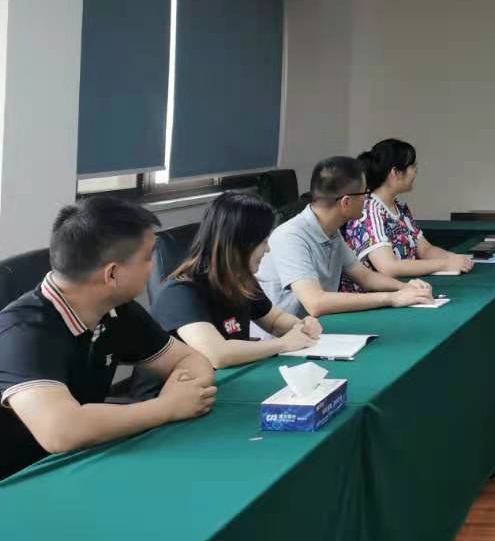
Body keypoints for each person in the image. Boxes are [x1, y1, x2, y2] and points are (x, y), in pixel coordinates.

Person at [0, 198, 216, 480]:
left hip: (79, 463)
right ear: (112, 274)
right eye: (148, 257)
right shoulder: (21, 332)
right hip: (18, 481)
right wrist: (167, 407)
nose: (153, 266)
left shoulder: (117, 310)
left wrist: (181, 394)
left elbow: (191, 359)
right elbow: (61, 431)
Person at [149, 193, 325, 369]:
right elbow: (217, 355)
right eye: (263, 242)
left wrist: (301, 326)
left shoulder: (240, 279)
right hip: (188, 384)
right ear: (241, 243)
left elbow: (274, 321)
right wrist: (283, 344)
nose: (268, 250)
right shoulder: (179, 293)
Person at [256, 156, 434, 317]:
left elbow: (365, 277)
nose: (367, 199)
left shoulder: (331, 231)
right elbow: (315, 302)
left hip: (315, 330)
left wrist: (405, 287)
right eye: (364, 193)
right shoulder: (290, 237)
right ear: (346, 202)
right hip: (283, 338)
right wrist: (392, 298)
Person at [342, 139, 475, 279]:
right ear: (395, 172)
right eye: (412, 165)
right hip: (374, 291)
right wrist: (444, 264)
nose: (416, 170)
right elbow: (389, 267)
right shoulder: (369, 210)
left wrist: (455, 259)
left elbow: (425, 249)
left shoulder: (399, 207)